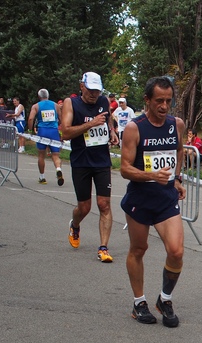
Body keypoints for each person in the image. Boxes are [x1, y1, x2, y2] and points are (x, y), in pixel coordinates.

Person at [120, 76, 187, 327]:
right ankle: (139, 302)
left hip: (166, 199)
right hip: (140, 199)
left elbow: (179, 149)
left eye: (168, 101)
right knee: (139, 250)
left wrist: (177, 177)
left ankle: (165, 299)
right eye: (159, 100)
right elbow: (125, 168)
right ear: (147, 100)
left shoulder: (176, 124)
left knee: (176, 251)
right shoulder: (134, 128)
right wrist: (151, 176)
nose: (164, 106)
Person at [60, 71, 119, 262]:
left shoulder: (103, 102)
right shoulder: (71, 103)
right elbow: (66, 133)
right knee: (84, 208)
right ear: (82, 86)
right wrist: (91, 123)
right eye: (91, 90)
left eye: (97, 91)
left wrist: (111, 132)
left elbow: (107, 118)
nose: (94, 95)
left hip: (101, 160)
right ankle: (75, 224)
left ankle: (103, 248)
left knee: (104, 204)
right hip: (81, 161)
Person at [28, 88, 64, 186]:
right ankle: (58, 169)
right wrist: (62, 131)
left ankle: (42, 177)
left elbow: (31, 118)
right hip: (54, 131)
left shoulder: (36, 106)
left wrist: (30, 130)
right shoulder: (55, 105)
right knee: (56, 155)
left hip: (42, 131)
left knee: (41, 155)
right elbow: (61, 118)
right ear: (48, 96)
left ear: (39, 96)